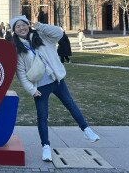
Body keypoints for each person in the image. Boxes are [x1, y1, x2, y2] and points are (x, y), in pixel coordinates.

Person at [9, 15, 99, 162]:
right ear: (14, 30)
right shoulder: (19, 49)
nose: (21, 28)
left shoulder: (42, 36)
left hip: (56, 80)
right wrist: (32, 90)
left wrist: (39, 25)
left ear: (28, 25)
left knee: (70, 104)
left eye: (23, 25)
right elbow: (21, 74)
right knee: (42, 117)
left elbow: (58, 33)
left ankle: (86, 130)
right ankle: (46, 147)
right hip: (40, 87)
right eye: (17, 26)